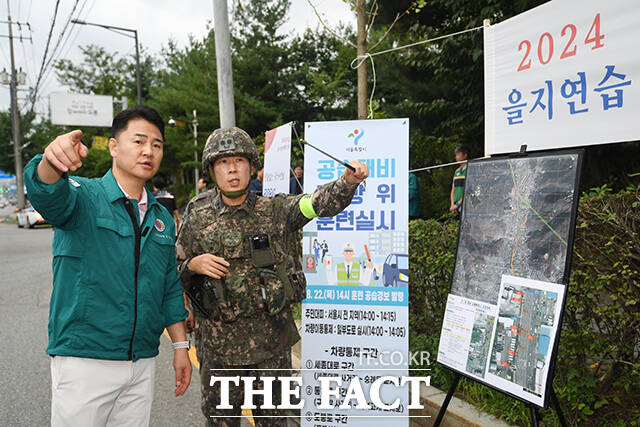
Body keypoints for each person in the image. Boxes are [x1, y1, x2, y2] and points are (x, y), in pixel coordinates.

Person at [176, 127, 368, 426]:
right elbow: (172, 268)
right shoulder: (197, 214)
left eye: (239, 161)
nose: (232, 169)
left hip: (271, 350)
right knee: (220, 422)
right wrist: (193, 264)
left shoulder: (275, 210)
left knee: (275, 422)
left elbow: (316, 202)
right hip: (219, 351)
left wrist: (346, 183)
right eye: (222, 162)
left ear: (251, 167)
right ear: (212, 169)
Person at [24, 106, 191, 426]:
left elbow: (169, 285)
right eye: (139, 141)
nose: (148, 151)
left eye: (157, 144)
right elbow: (45, 192)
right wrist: (51, 161)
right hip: (85, 361)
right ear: (114, 147)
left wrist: (181, 346)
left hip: (141, 362)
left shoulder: (160, 218)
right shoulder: (83, 196)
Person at [450, 145, 469, 218]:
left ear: (465, 155)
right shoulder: (456, 171)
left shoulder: (469, 170)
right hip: (455, 207)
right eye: (456, 155)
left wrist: (457, 204)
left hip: (464, 206)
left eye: (458, 155)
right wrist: (452, 204)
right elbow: (453, 189)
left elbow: (468, 190)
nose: (456, 157)